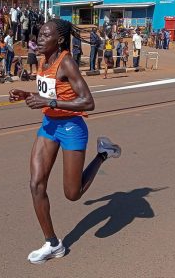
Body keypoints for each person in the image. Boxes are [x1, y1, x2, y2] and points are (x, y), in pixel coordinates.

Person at [9, 19, 121, 265]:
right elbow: (51, 94)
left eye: (45, 35)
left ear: (59, 40)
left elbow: (88, 102)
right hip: (49, 126)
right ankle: (53, 244)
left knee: (72, 193)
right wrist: (27, 95)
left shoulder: (66, 62)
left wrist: (49, 103)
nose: (39, 38)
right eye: (38, 34)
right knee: (36, 184)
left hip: (71, 128)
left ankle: (103, 153)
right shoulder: (43, 59)